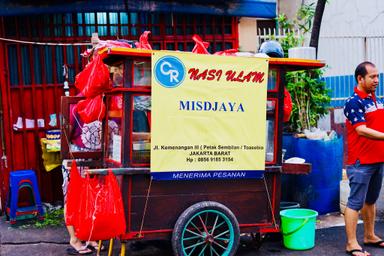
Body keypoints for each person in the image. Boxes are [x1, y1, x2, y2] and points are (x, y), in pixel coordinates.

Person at [343, 61, 384, 256]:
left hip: (377, 159)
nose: (377, 80)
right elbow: (361, 130)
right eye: (372, 77)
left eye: (377, 76)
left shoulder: (375, 99)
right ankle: (352, 243)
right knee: (355, 202)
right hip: (360, 162)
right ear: (360, 79)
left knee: (371, 200)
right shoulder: (354, 102)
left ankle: (369, 235)